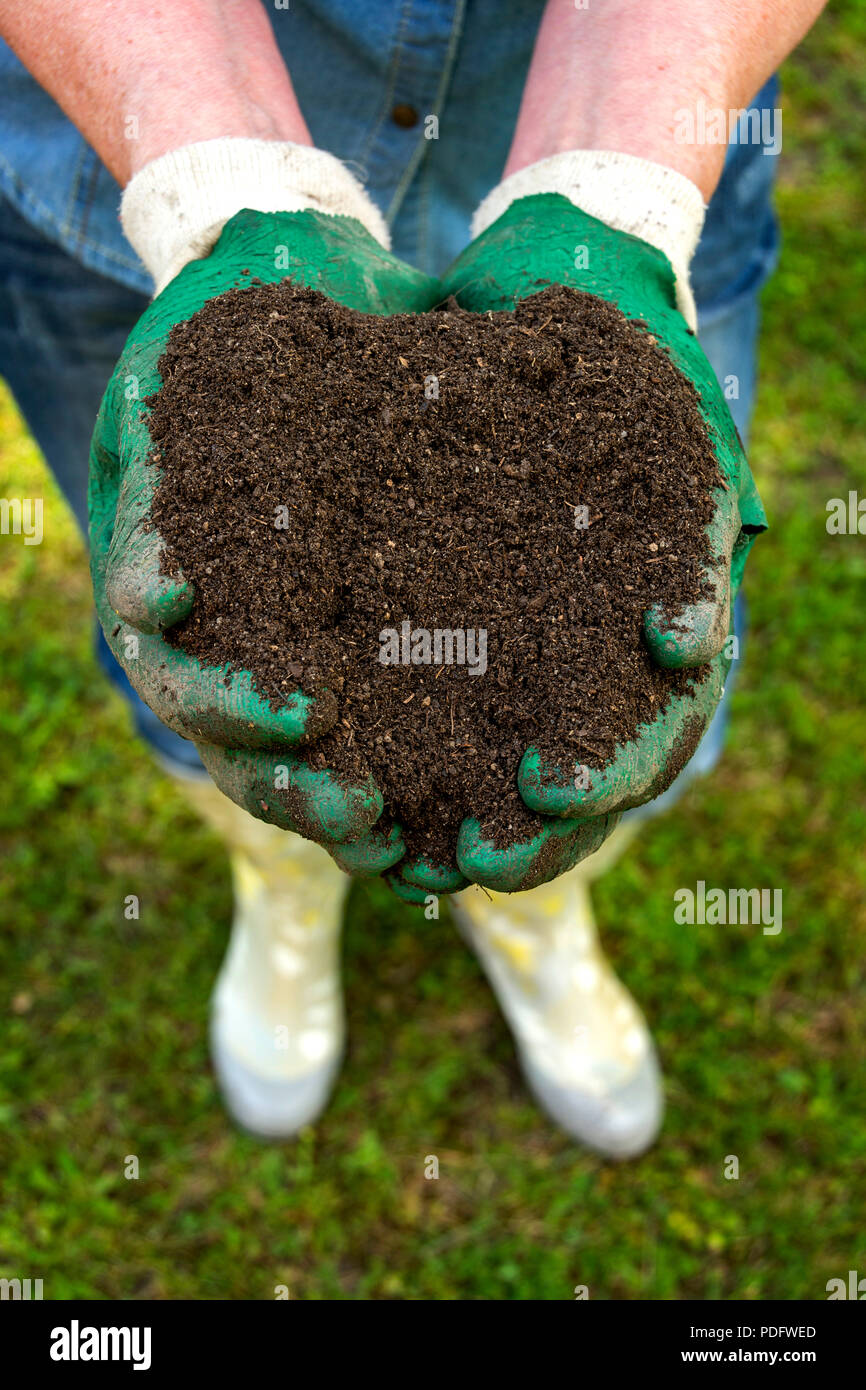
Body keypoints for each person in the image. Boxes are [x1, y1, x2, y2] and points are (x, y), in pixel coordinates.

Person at [0, 0, 826, 1156]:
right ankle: (283, 877)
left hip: (660, 138)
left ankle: (535, 909)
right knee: (193, 636)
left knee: (638, 670)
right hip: (122, 135)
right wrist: (215, 174)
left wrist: (613, 186)